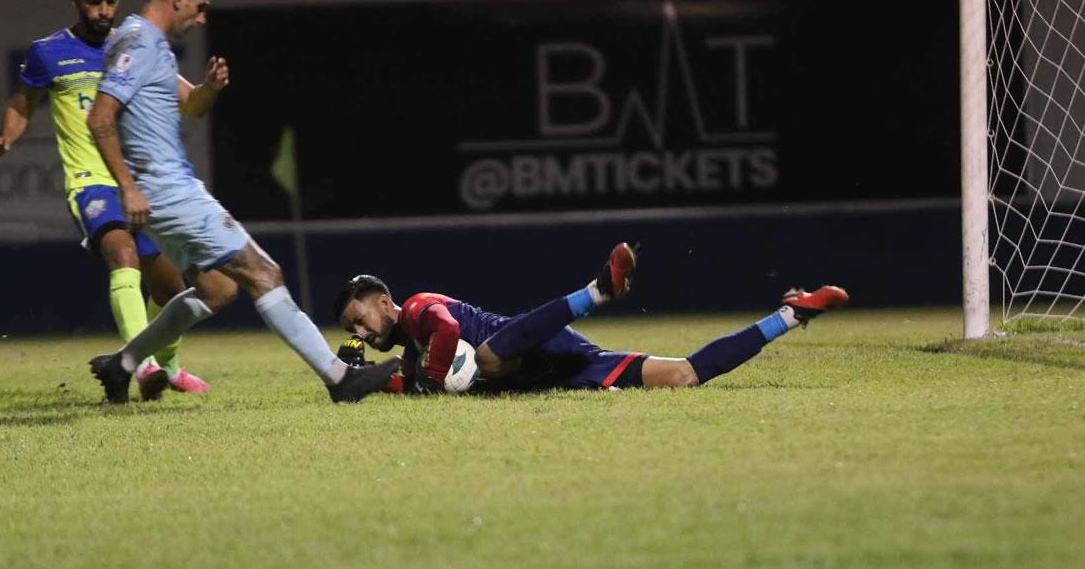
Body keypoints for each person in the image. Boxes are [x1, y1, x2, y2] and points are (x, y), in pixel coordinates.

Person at [85, 0, 398, 404]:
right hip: (167, 190)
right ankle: (340, 379)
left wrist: (209, 88)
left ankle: (121, 365)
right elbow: (99, 117)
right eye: (200, 7)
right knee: (264, 273)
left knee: (218, 289)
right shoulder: (138, 41)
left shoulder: (149, 44)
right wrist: (128, 187)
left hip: (162, 191)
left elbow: (192, 106)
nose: (202, 18)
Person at [0, 0, 212, 401]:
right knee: (122, 253)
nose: (103, 11)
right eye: (93, 2)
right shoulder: (49, 52)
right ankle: (140, 365)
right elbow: (22, 104)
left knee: (171, 287)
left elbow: (189, 100)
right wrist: (5, 139)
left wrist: (210, 88)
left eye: (111, 2)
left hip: (140, 181)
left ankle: (168, 366)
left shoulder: (133, 45)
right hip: (91, 182)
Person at [333, 242, 849, 393]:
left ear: (384, 302)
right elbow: (409, 383)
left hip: (533, 344)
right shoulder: (410, 348)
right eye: (351, 328)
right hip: (560, 366)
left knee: (487, 357)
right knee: (684, 375)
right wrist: (364, 378)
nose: (360, 331)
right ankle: (790, 315)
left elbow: (447, 332)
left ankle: (597, 291)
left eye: (359, 319)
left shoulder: (419, 310)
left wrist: (427, 379)